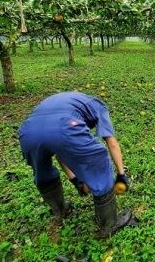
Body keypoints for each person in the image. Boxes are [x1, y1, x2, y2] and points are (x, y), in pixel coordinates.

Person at [18, 92, 132, 238]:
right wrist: (121, 174)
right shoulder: (99, 106)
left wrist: (75, 180)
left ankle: (60, 211)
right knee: (100, 162)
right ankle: (109, 224)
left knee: (42, 172)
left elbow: (61, 150)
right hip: (65, 127)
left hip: (28, 132)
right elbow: (111, 142)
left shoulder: (62, 101)